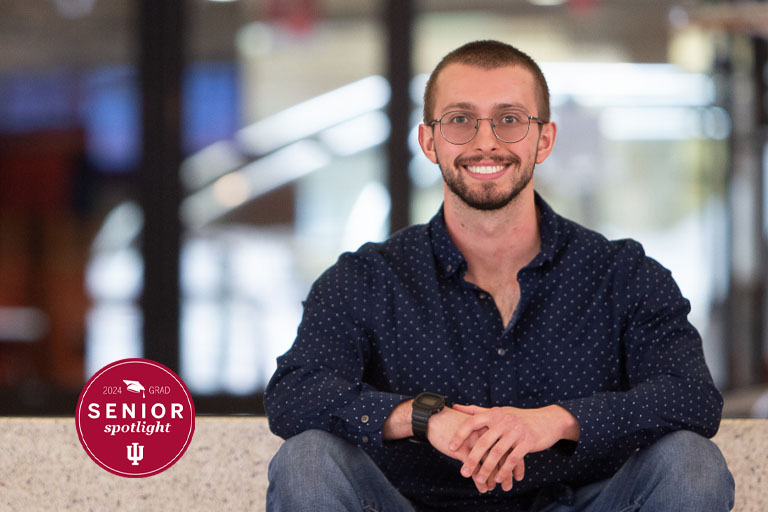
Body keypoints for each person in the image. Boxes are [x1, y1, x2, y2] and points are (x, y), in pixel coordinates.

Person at [264, 40, 734, 512]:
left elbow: (692, 397)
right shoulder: (364, 278)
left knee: (691, 463)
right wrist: (424, 417)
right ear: (429, 141)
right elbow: (295, 393)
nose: (485, 141)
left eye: (509, 119)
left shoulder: (624, 275)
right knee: (305, 460)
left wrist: (554, 421)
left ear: (544, 139)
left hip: (582, 504)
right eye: (459, 120)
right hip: (411, 505)